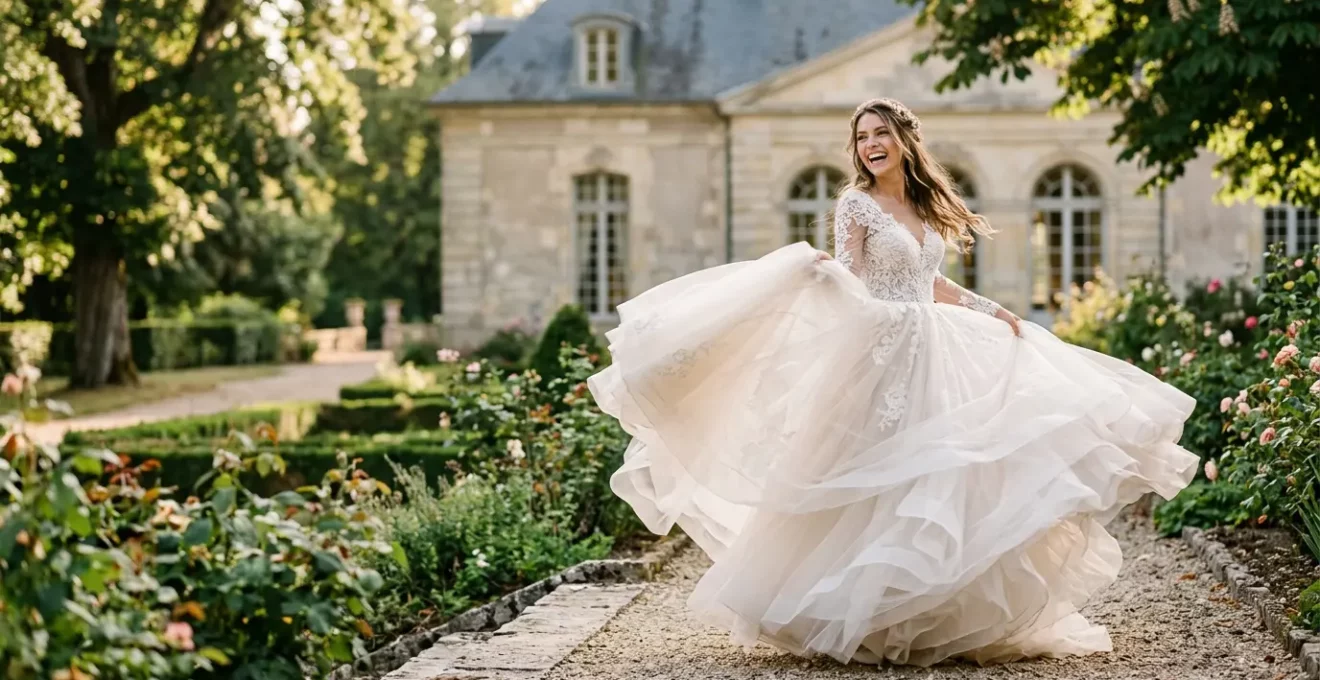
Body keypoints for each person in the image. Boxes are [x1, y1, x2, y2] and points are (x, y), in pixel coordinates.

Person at [586, 97, 1198, 668]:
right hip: (881, 349)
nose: (871, 145)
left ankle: (929, 612)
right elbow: (853, 278)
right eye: (861, 137)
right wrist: (822, 274)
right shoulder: (856, 204)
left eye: (881, 134)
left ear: (905, 140)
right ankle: (856, 614)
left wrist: (995, 312)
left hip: (932, 343)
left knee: (941, 474)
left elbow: (932, 283)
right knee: (872, 478)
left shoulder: (923, 206)